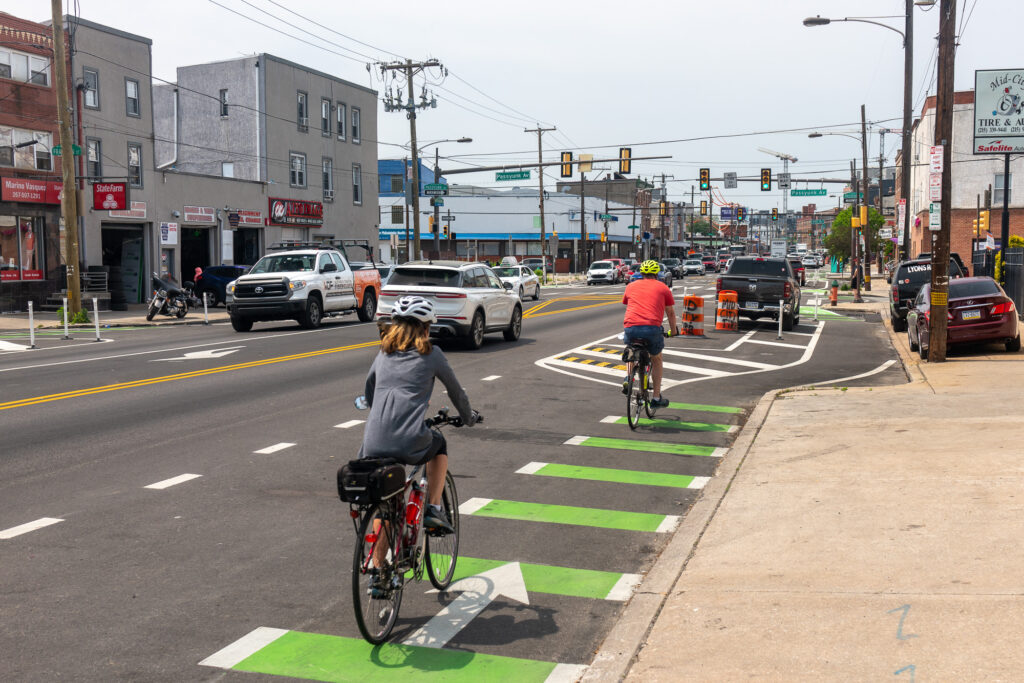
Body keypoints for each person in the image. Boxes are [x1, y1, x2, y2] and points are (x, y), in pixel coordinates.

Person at [358, 295, 475, 533]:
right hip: (409, 441)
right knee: (439, 444)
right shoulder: (432, 353)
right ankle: (433, 508)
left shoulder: (383, 354)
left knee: (387, 504)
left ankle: (377, 567)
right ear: (425, 327)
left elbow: (369, 393)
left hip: (372, 443)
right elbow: (457, 393)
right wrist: (468, 417)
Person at [621, 260, 679, 408]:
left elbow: (629, 304)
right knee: (656, 359)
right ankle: (656, 398)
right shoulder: (663, 287)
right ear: (657, 274)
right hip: (651, 329)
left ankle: (628, 377)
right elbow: (670, 313)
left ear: (641, 273)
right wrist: (673, 331)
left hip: (631, 327)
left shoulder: (630, 286)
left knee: (631, 352)